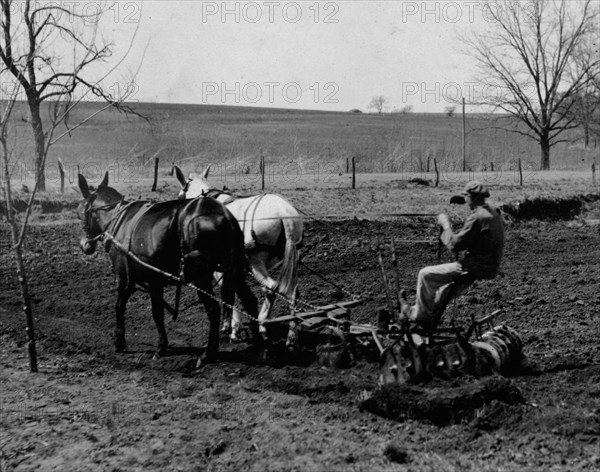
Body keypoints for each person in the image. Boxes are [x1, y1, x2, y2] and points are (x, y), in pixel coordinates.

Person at [400, 180, 505, 329]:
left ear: (472, 197)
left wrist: (445, 225)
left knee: (425, 274)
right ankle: (427, 320)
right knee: (443, 291)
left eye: (466, 197)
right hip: (489, 266)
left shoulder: (477, 217)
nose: (465, 200)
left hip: (472, 266)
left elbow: (455, 245)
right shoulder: (494, 213)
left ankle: (420, 316)